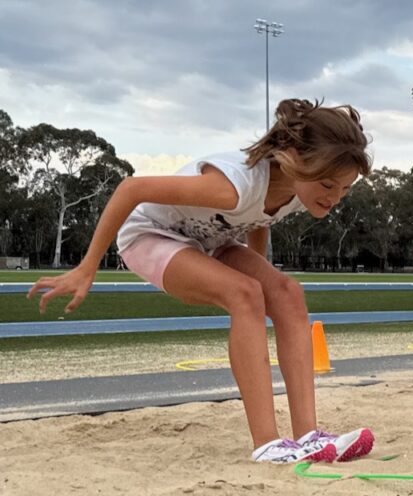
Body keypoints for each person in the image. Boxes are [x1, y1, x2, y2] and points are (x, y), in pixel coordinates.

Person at [27, 99, 375, 463]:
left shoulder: (297, 191)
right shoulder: (233, 186)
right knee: (245, 293)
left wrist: (262, 274)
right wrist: (87, 267)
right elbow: (131, 189)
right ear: (292, 158)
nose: (335, 198)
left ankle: (309, 436)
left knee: (286, 292)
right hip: (150, 235)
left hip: (211, 241)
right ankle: (268, 444)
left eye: (345, 189)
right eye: (328, 185)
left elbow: (259, 220)